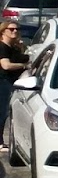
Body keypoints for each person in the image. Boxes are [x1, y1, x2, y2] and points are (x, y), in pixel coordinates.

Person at [0, 21, 30, 155]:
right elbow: (6, 65)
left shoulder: (13, 47)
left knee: (7, 111)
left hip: (12, 82)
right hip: (3, 82)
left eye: (17, 29)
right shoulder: (2, 47)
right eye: (11, 29)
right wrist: (24, 66)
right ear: (3, 31)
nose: (15, 31)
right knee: (3, 112)